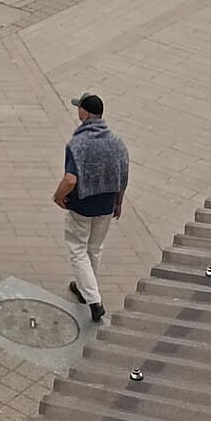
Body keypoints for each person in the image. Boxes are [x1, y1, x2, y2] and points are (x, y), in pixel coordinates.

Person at [54, 91, 129, 324]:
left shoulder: (78, 144)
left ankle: (94, 300)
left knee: (77, 249)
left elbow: (70, 180)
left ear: (84, 113)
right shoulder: (117, 143)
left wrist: (58, 197)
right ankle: (85, 289)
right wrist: (118, 202)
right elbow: (123, 177)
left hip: (82, 207)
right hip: (106, 206)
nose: (78, 110)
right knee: (94, 249)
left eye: (79, 108)